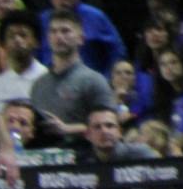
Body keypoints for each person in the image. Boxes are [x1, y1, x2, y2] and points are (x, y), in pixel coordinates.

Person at [30, 11, 117, 139]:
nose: (58, 36)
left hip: (82, 154)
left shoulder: (94, 81)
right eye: (53, 31)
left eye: (65, 31)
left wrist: (67, 129)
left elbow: (111, 125)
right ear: (48, 38)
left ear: (81, 38)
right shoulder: (38, 84)